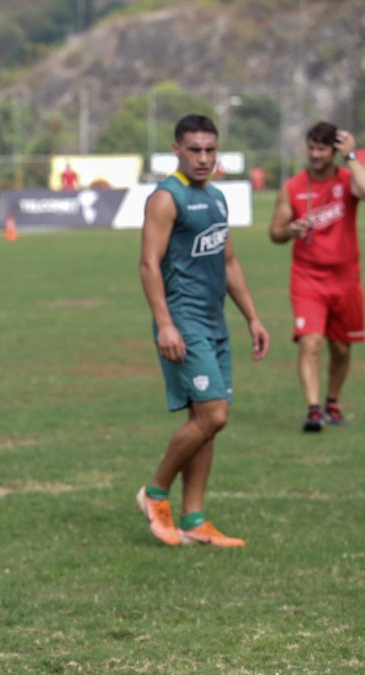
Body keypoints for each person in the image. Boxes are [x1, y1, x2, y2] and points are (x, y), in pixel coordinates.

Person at [136, 114, 269, 548]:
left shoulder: (215, 198)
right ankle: (155, 494)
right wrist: (166, 324)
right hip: (183, 322)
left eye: (211, 150)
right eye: (195, 150)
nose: (204, 158)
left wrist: (252, 317)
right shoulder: (165, 198)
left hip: (215, 323)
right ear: (176, 149)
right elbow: (148, 264)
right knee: (214, 414)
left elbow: (229, 262)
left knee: (206, 422)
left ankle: (194, 518)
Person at [268, 122, 365, 432]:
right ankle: (313, 409)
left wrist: (352, 155)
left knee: (341, 348)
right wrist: (289, 231)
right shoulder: (292, 187)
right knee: (311, 342)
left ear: (334, 150)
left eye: (322, 149)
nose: (315, 155)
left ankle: (332, 401)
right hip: (307, 278)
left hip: (346, 279)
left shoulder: (347, 180)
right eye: (311, 148)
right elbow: (274, 233)